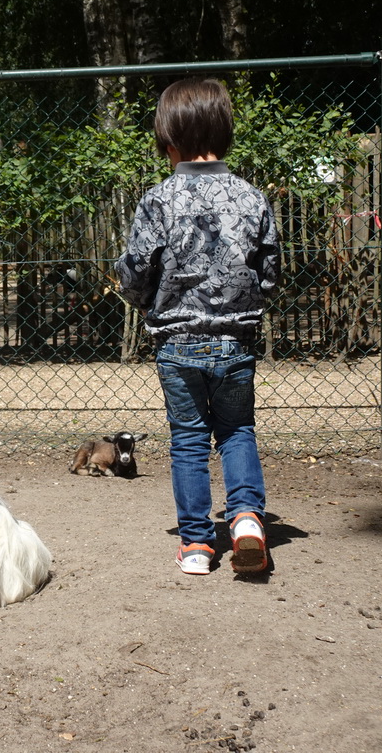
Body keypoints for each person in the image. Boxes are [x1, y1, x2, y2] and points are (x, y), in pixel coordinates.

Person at [115, 78, 280, 576]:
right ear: (225, 135)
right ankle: (247, 519)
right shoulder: (252, 198)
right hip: (235, 342)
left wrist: (136, 291)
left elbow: (139, 270)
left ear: (168, 144)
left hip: (178, 344)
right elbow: (270, 273)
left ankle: (196, 545)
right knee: (236, 431)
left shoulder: (159, 200)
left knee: (188, 438)